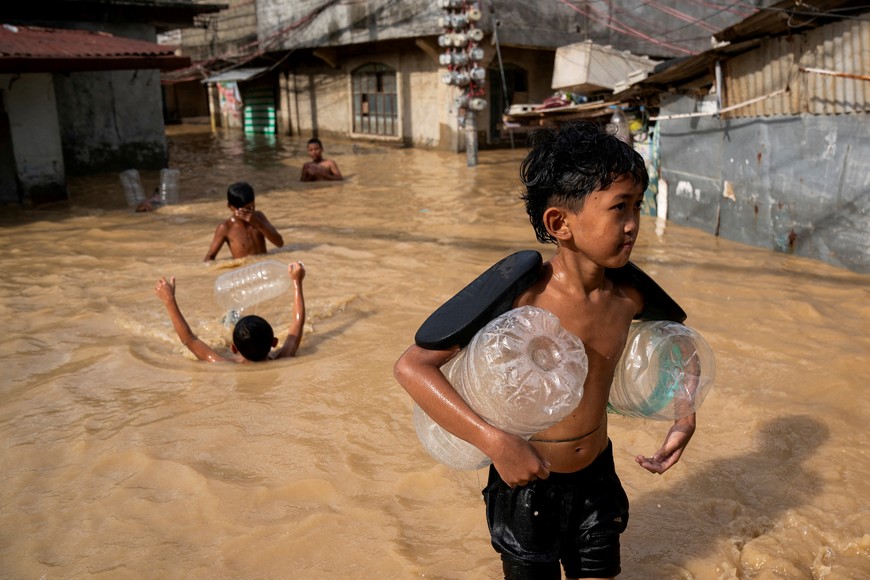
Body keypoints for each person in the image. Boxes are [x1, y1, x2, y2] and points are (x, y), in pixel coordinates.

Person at [393, 121, 696, 579]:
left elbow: (680, 344)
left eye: (638, 205)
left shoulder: (629, 296)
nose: (634, 223)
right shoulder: (522, 295)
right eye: (619, 208)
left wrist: (684, 413)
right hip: (526, 484)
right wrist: (495, 443)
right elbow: (413, 366)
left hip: (597, 477)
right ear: (560, 222)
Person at [154, 261, 306, 363]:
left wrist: (169, 300)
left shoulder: (222, 364)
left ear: (233, 348)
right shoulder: (284, 357)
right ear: (274, 342)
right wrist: (296, 282)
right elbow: (297, 324)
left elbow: (189, 340)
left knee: (229, 319)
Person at [204, 181, 285, 261]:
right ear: (231, 207)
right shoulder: (226, 227)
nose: (251, 211)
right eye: (247, 209)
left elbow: (280, 243)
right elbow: (209, 257)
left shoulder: (259, 217)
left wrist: (259, 224)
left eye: (253, 206)